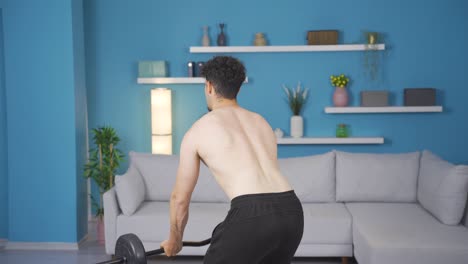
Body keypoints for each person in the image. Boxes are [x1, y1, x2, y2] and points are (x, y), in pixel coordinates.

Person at [161, 56, 304, 264]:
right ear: (238, 87)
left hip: (251, 214)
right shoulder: (261, 122)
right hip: (291, 211)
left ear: (209, 86)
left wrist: (175, 239)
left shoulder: (199, 129)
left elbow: (179, 199)